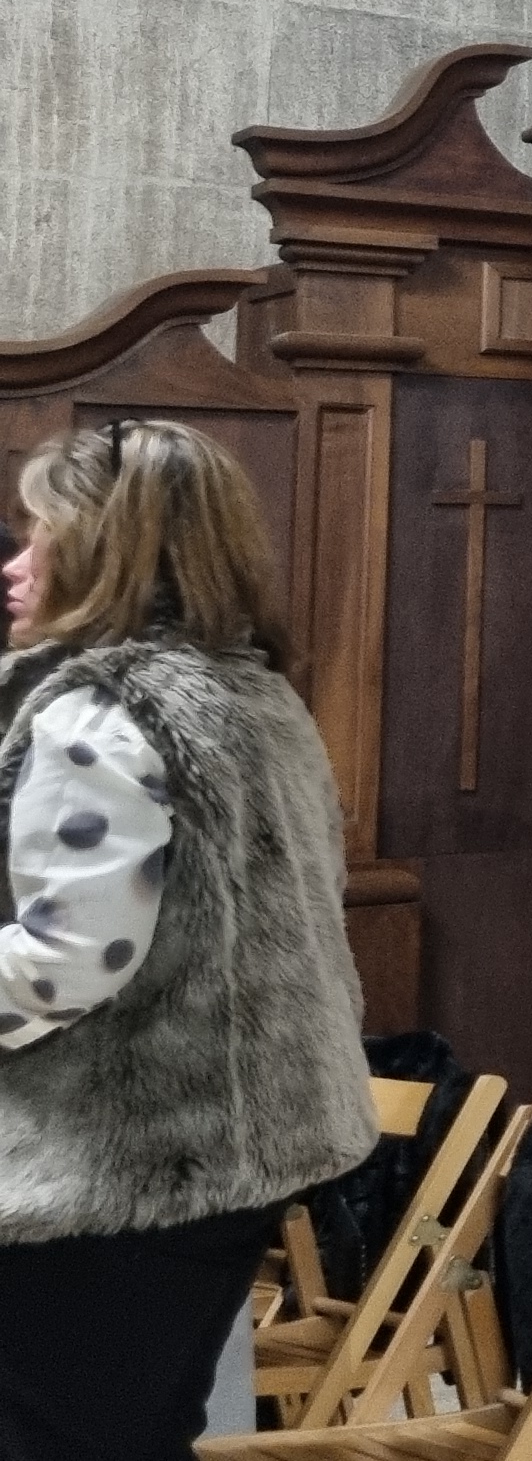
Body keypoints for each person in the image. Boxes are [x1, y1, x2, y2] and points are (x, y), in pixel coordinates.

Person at [0, 421, 367, 1461]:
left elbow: (65, 963)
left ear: (108, 550)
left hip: (117, 1161)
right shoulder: (252, 690)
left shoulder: (99, 715)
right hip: (239, 1146)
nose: (17, 564)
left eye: (40, 534)